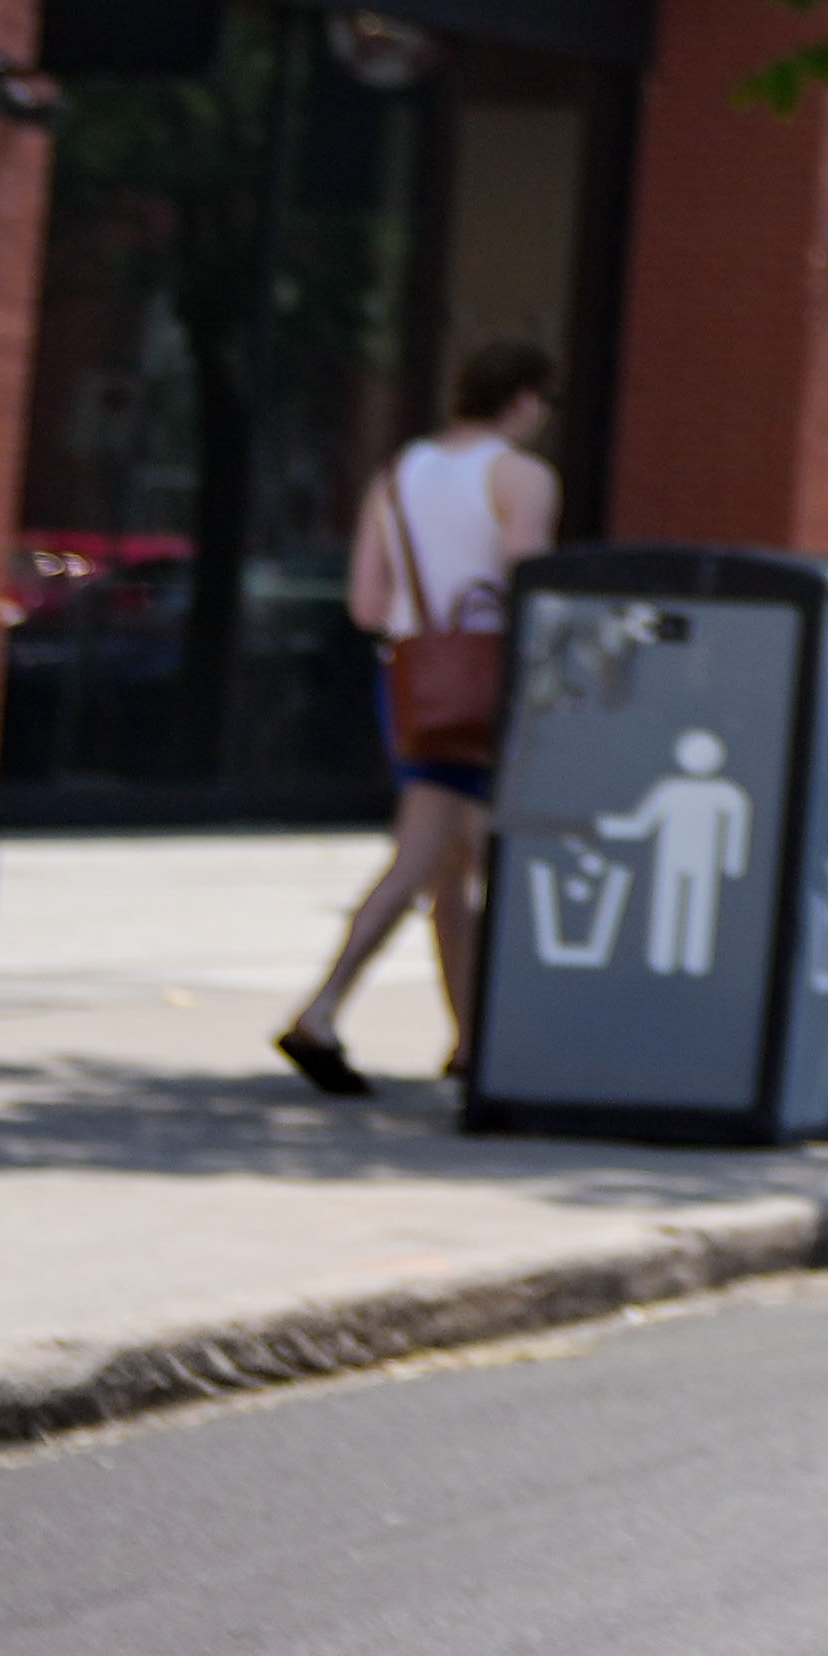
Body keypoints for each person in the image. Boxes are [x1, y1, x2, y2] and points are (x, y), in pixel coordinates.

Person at [288, 336, 561, 1096]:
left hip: (409, 681)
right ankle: (322, 1007)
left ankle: (471, 1039)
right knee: (425, 853)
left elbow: (368, 604)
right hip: (482, 686)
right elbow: (528, 584)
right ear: (524, 398)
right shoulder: (521, 476)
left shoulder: (398, 473)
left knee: (447, 865)